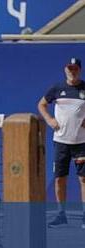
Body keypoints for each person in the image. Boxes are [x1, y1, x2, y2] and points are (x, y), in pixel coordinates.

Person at [38, 58, 85, 228]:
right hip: (61, 142)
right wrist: (50, 119)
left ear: (79, 70)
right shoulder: (57, 88)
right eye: (69, 68)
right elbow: (42, 104)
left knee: (83, 179)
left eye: (75, 68)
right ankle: (61, 215)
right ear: (66, 70)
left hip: (81, 143)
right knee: (59, 179)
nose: (72, 71)